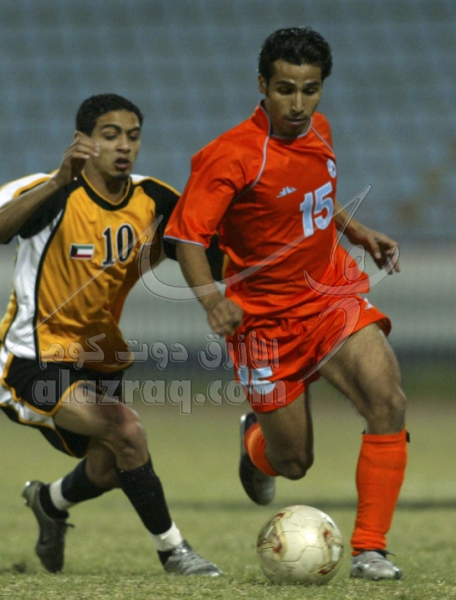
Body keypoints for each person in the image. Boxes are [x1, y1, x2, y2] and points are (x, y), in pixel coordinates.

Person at [164, 27, 408, 581]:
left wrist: (355, 230)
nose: (298, 104)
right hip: (264, 322)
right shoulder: (229, 157)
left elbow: (310, 195)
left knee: (387, 401)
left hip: (330, 297)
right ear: (262, 85)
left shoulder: (319, 130)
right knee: (294, 462)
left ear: (321, 87)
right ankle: (255, 445)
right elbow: (187, 238)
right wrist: (212, 300)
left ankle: (370, 550)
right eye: (285, 89)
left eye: (309, 89)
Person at [0, 93, 221, 577]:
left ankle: (48, 502)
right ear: (82, 141)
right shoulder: (49, 191)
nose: (124, 146)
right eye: (110, 135)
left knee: (110, 467)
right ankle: (174, 552)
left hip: (98, 358)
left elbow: (205, 252)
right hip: (32, 357)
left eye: (133, 136)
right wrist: (58, 180)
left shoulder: (154, 201)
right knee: (125, 430)